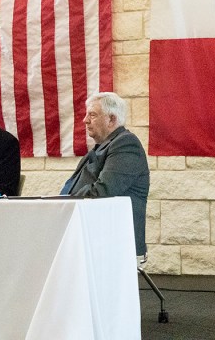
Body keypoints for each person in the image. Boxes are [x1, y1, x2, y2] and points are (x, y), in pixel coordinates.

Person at [60, 92, 150, 256]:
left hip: (112, 244)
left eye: (92, 115)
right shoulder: (102, 146)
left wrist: (62, 203)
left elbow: (102, 191)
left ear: (112, 119)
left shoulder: (126, 144)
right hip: (90, 237)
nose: (85, 120)